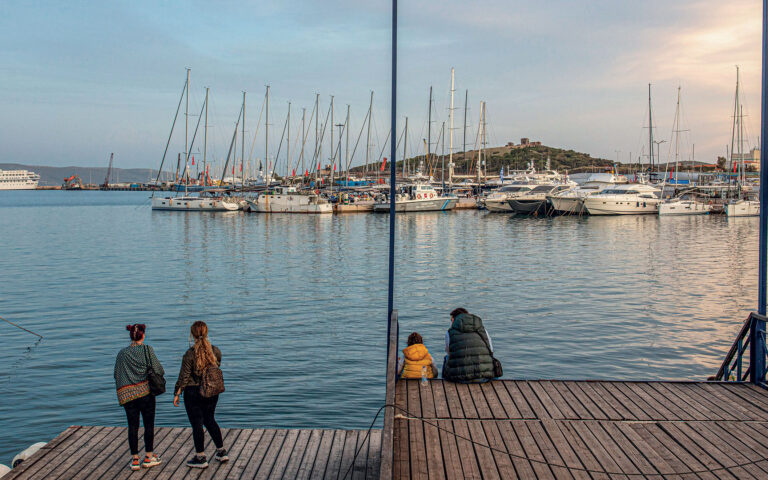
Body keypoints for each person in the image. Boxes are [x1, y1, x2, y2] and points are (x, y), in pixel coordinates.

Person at [173, 321, 228, 469]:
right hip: (211, 391)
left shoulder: (189, 354)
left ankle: (200, 457)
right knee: (210, 419)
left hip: (193, 393)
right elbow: (216, 368)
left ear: (192, 334)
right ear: (207, 332)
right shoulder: (215, 351)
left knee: (197, 423)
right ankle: (221, 451)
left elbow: (184, 377)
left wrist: (177, 393)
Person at [114, 324, 164, 471]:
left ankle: (135, 460)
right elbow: (159, 370)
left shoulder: (122, 353)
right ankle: (149, 457)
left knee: (133, 426)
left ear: (131, 336)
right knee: (148, 425)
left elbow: (116, 374)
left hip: (128, 396)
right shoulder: (147, 350)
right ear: (143, 335)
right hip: (146, 394)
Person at [442, 308, 496, 383]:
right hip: (484, 377)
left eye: (451, 320)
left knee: (447, 357)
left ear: (454, 319)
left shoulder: (450, 333)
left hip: (459, 378)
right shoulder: (483, 330)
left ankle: (444, 382)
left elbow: (449, 352)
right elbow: (491, 350)